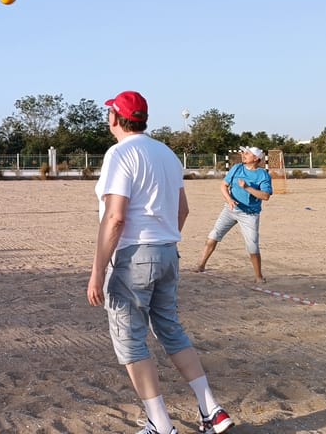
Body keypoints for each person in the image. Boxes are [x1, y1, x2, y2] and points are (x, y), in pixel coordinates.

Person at [87, 91, 234, 434]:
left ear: (115, 118)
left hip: (133, 257)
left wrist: (97, 271)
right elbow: (182, 210)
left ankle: (160, 423)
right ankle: (211, 408)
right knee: (171, 329)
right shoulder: (166, 153)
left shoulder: (120, 153)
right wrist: (163, 239)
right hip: (168, 252)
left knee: (131, 340)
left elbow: (115, 217)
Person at [193, 146, 273, 284]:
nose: (244, 155)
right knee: (213, 236)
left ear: (256, 158)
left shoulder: (263, 175)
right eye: (244, 153)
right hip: (230, 210)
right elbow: (223, 185)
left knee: (252, 245)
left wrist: (247, 187)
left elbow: (265, 196)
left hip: (250, 214)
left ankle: (259, 276)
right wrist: (229, 200)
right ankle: (201, 265)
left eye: (247, 153)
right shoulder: (237, 168)